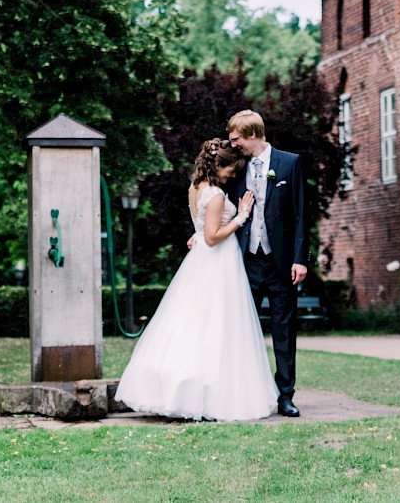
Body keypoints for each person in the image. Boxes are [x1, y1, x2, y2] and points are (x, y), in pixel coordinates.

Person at [114, 139, 278, 421]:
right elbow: (213, 237)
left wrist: (200, 234)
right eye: (231, 170)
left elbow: (201, 229)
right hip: (217, 262)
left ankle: (183, 388)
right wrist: (241, 217)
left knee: (192, 322)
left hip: (201, 261)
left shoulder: (194, 187)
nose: (233, 176)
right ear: (220, 165)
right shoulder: (214, 194)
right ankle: (207, 394)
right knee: (215, 325)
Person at [226, 110, 308, 418]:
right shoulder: (237, 166)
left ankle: (285, 396)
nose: (233, 145)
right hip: (245, 261)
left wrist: (301, 259)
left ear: (251, 135)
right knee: (241, 330)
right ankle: (241, 392)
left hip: (281, 263)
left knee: (284, 331)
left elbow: (301, 215)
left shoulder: (290, 163)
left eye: (236, 139)